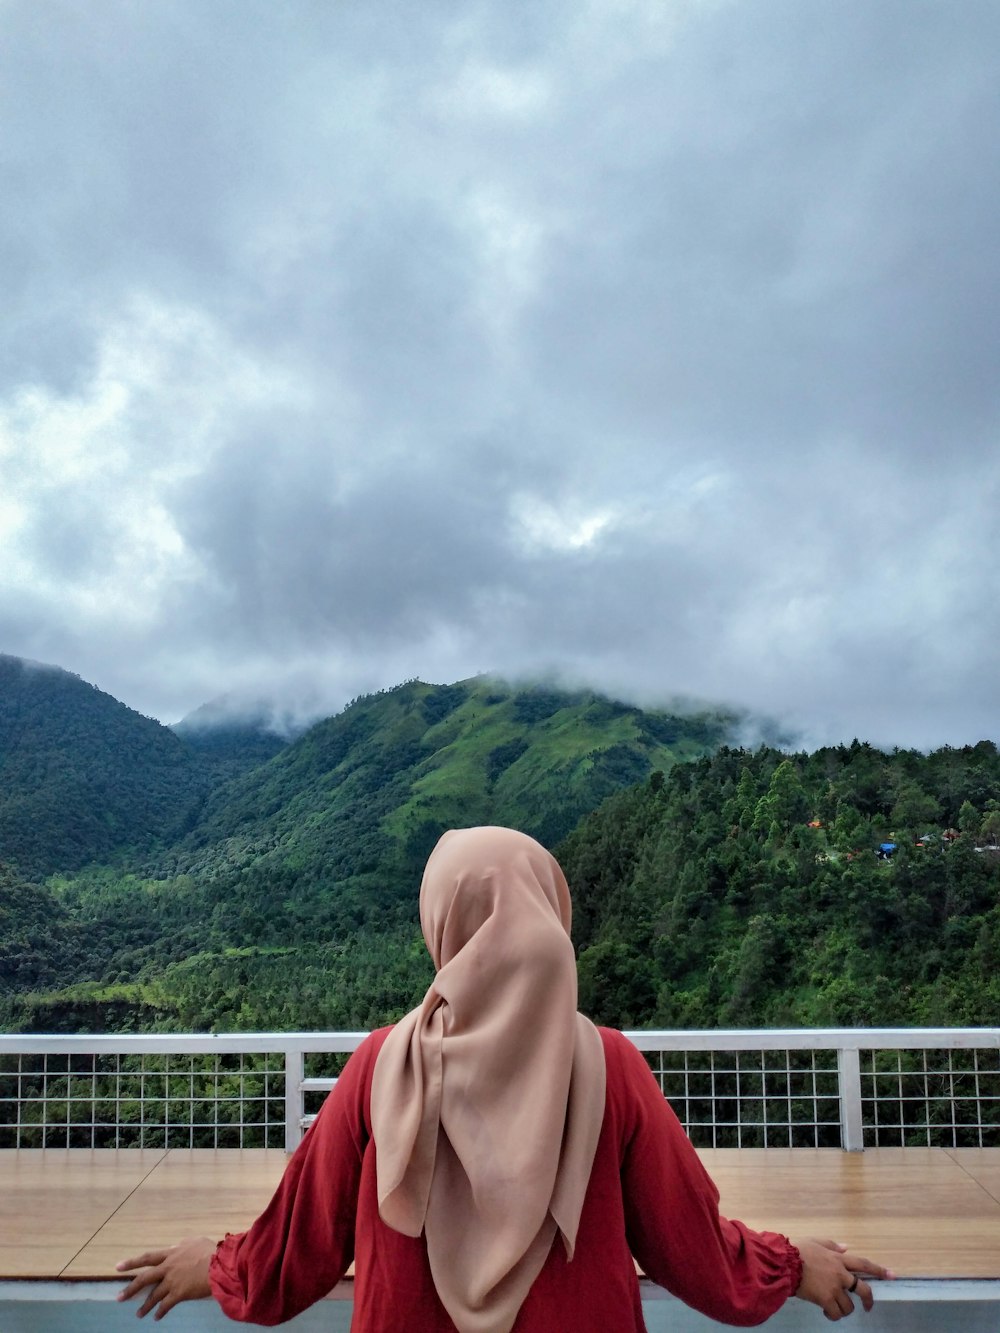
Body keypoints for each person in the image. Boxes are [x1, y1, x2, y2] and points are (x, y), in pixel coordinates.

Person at [117, 826, 891, 1329]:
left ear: (442, 925)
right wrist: (791, 1267)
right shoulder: (608, 1065)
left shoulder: (380, 1068)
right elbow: (687, 1242)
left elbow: (298, 1250)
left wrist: (214, 1265)